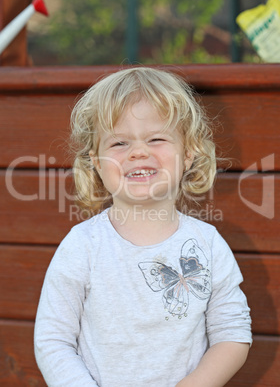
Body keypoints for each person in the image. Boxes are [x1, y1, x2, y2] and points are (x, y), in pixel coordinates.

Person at [34, 67, 252, 387]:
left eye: (156, 138)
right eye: (119, 142)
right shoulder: (83, 245)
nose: (138, 152)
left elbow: (232, 332)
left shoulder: (207, 244)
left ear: (188, 154)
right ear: (96, 161)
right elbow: (52, 340)